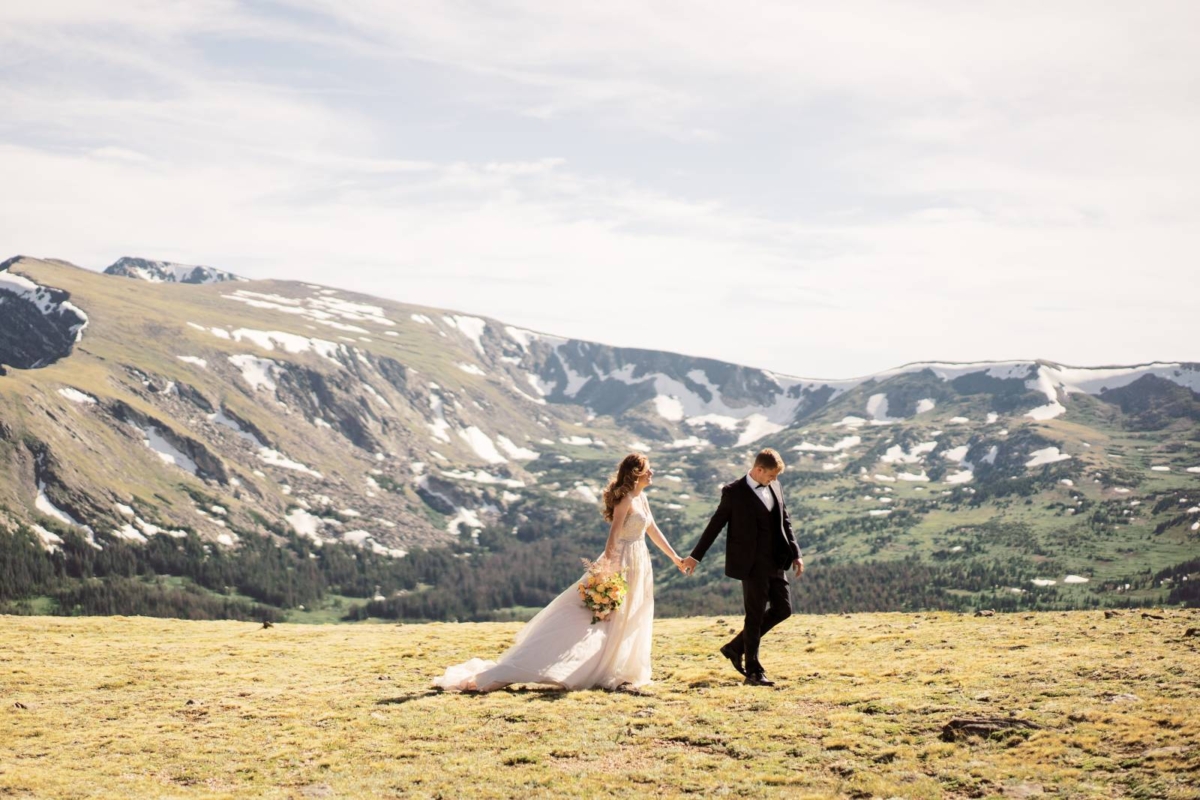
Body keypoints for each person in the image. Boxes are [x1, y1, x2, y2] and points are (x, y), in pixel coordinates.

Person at [433, 453, 685, 692]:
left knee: (631, 616)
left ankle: (622, 668)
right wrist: (607, 571)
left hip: (640, 560)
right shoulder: (626, 500)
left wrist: (674, 557)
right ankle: (525, 668)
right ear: (635, 473)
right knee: (600, 618)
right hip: (622, 561)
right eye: (646, 468)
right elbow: (614, 535)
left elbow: (652, 529)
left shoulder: (642, 498)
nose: (651, 472)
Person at [681, 448, 803, 686]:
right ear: (759, 470)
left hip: (776, 561)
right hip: (751, 564)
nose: (774, 480)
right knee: (755, 615)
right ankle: (754, 672)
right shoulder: (733, 492)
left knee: (783, 609)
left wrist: (796, 553)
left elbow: (785, 521)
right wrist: (696, 557)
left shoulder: (775, 487)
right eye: (771, 475)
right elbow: (715, 525)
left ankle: (735, 648)